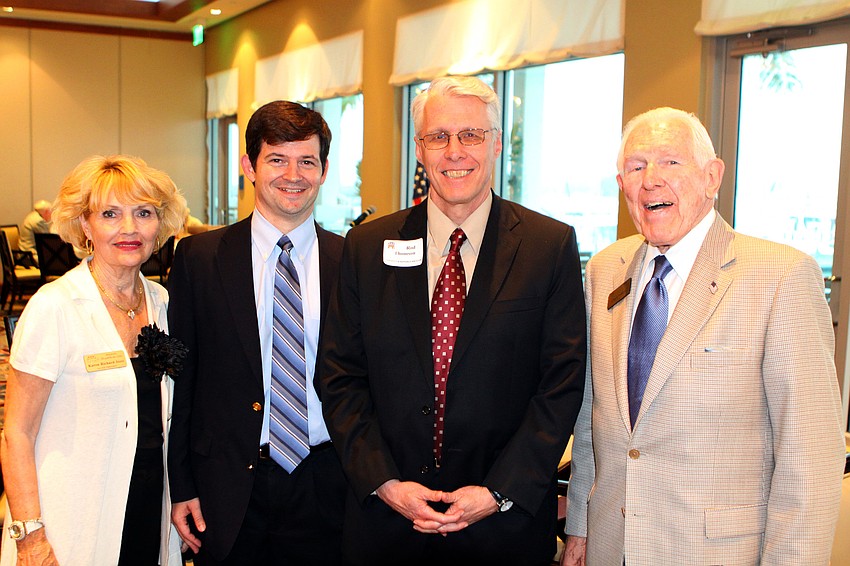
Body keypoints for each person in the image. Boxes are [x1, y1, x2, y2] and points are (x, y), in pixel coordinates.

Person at [318, 75, 587, 565]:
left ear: (497, 143)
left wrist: (498, 492)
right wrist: (385, 482)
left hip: (503, 528)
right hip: (387, 524)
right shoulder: (367, 247)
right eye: (438, 137)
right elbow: (339, 377)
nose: (454, 151)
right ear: (420, 149)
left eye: (471, 135)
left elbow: (561, 386)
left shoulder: (550, 247)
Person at [563, 107, 846, 565]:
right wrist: (579, 526)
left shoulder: (781, 277)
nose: (651, 179)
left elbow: (810, 457)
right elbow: (593, 420)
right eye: (636, 167)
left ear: (712, 177)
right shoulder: (602, 271)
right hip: (611, 548)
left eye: (671, 162)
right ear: (622, 186)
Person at [167, 100, 347, 565]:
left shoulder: (354, 262)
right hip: (227, 485)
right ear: (248, 165)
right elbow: (183, 381)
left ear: (324, 170)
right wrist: (181, 484)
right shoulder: (199, 259)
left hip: (328, 482)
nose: (294, 174)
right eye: (277, 159)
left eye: (307, 160)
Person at [0, 155, 188, 565]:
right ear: (85, 225)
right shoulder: (55, 307)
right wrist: (30, 536)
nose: (129, 228)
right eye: (110, 214)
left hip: (148, 503)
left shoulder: (161, 301)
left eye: (143, 213)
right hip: (71, 518)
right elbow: (17, 433)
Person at [18, 199, 52, 264]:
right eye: (51, 211)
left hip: (24, 253)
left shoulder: (32, 216)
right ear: (47, 211)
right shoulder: (39, 221)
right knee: (57, 262)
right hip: (29, 256)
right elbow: (47, 242)